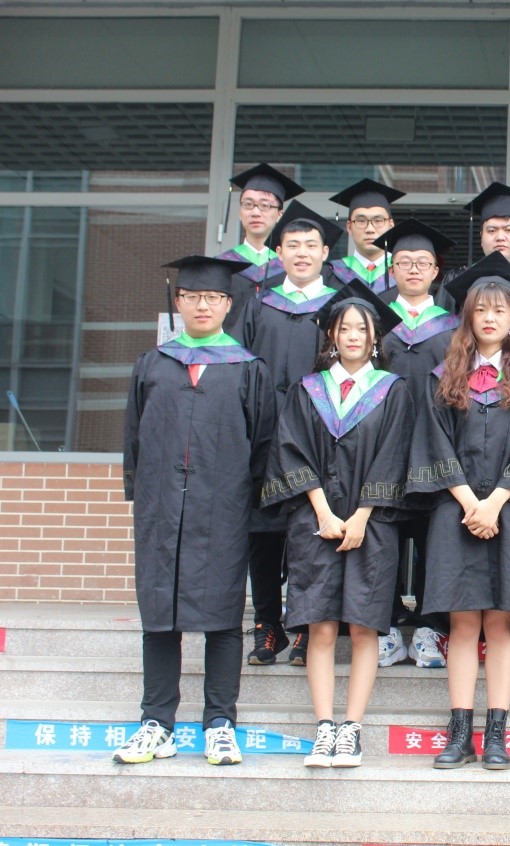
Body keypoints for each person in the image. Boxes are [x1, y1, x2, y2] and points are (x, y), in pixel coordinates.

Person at [115, 256, 275, 767]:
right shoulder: (152, 364)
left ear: (229, 304)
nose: (202, 305)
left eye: (213, 297)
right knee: (159, 615)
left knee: (223, 616)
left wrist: (246, 502)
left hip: (223, 508)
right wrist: (144, 498)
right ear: (178, 302)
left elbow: (263, 445)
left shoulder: (247, 368)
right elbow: (133, 439)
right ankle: (156, 723)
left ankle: (220, 723)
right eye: (192, 296)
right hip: (161, 508)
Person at [406, 258, 510, 770]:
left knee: (501, 625)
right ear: (467, 317)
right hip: (455, 512)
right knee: (462, 623)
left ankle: (496, 733)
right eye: (481, 310)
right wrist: (471, 502)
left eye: (500, 310)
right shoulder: (444, 378)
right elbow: (433, 443)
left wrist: (495, 501)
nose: (490, 318)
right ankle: (459, 733)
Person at [260, 280, 413, 769]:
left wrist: (363, 514)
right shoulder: (307, 391)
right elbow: (290, 449)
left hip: (374, 524)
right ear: (330, 334)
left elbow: (395, 455)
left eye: (361, 329)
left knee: (365, 628)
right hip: (315, 523)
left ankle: (352, 729)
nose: (352, 336)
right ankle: (324, 727)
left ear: (375, 338)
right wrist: (323, 512)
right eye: (344, 328)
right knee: (322, 628)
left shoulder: (393, 391)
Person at [239, 201, 346, 667]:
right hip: (263, 437)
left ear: (325, 253)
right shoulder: (258, 304)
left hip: (319, 437)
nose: (301, 253)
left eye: (310, 245)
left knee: (309, 533)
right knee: (262, 535)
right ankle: (268, 625)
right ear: (278, 252)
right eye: (292, 245)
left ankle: (305, 627)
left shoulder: (339, 308)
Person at [372, 219, 459, 670]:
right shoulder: (373, 322)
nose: (412, 269)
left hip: (435, 445)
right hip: (381, 446)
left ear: (435, 271)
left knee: (434, 538)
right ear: (392, 269)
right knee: (382, 537)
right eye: (404, 262)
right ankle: (384, 624)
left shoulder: (453, 327)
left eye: (422, 262)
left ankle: (429, 625)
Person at [217, 163, 304, 337]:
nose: (255, 212)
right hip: (232, 351)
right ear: (240, 212)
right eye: (248, 204)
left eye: (265, 205)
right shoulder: (222, 266)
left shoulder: (293, 266)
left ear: (279, 214)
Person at [329, 179, 405, 293]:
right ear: (349, 227)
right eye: (361, 221)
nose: (370, 229)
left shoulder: (406, 273)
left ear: (391, 225)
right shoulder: (330, 274)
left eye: (378, 221)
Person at [463, 181, 510, 283]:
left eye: (508, 230)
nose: (500, 237)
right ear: (481, 237)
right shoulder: (465, 280)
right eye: (492, 230)